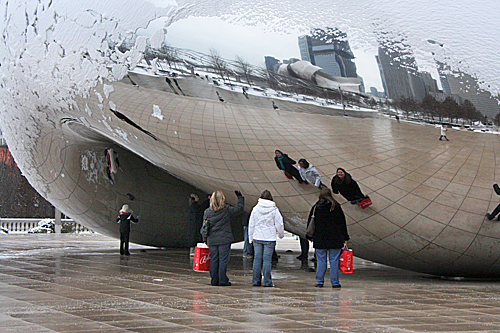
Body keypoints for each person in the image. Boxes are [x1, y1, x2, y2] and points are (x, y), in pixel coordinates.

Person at [306, 188, 349, 288]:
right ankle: (335, 282)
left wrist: (309, 236)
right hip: (335, 238)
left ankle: (320, 281)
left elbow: (311, 223)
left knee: (321, 260)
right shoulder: (336, 207)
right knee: (334, 261)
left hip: (320, 238)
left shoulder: (316, 207)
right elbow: (342, 223)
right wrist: (345, 237)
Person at [203, 190, 244, 286]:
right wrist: (240, 198)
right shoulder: (226, 209)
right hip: (224, 239)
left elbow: (204, 226)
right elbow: (239, 209)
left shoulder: (207, 212)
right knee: (223, 260)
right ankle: (222, 280)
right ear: (223, 199)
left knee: (214, 260)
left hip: (212, 239)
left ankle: (214, 280)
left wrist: (205, 239)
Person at [248, 190, 284, 287]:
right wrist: (281, 234)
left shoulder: (255, 209)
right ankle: (267, 281)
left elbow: (251, 224)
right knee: (267, 260)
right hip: (269, 238)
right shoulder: (274, 209)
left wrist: (250, 237)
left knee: (257, 259)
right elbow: (279, 223)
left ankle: (256, 281)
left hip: (257, 237)